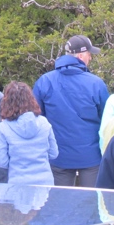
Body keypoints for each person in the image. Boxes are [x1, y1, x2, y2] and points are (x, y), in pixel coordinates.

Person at [33, 35, 109, 187]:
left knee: (60, 205)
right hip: (91, 156)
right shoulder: (96, 83)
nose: (91, 58)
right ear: (81, 56)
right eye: (89, 54)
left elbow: (36, 117)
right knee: (93, 203)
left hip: (58, 155)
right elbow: (105, 118)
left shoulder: (45, 81)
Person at [0, 81, 58, 186]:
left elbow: (2, 162)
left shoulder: (3, 127)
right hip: (45, 183)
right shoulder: (44, 122)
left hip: (18, 184)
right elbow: (54, 153)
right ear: (31, 99)